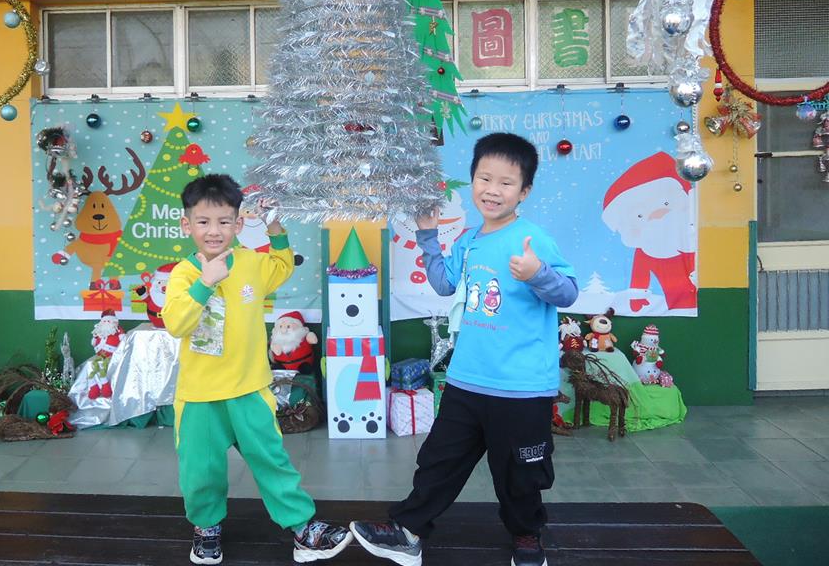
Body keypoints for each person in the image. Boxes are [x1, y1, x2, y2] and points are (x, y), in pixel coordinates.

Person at [350, 133, 578, 566]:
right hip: (466, 380)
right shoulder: (470, 239)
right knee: (439, 461)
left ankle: (527, 537)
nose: (492, 190)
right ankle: (408, 533)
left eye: (506, 182)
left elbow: (567, 293)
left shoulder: (533, 240)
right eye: (484, 178)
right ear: (472, 181)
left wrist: (537, 273)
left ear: (524, 191)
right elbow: (444, 283)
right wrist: (428, 235)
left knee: (520, 473)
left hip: (521, 387)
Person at [162, 173, 352, 565]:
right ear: (186, 224)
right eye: (203, 221)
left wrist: (275, 226)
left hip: (250, 390)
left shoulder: (249, 262)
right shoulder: (183, 274)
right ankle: (206, 528)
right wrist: (205, 283)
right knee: (200, 471)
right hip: (199, 397)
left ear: (238, 223)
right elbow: (176, 323)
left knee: (272, 461)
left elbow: (282, 265)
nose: (214, 231)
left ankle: (303, 528)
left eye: (224, 221)